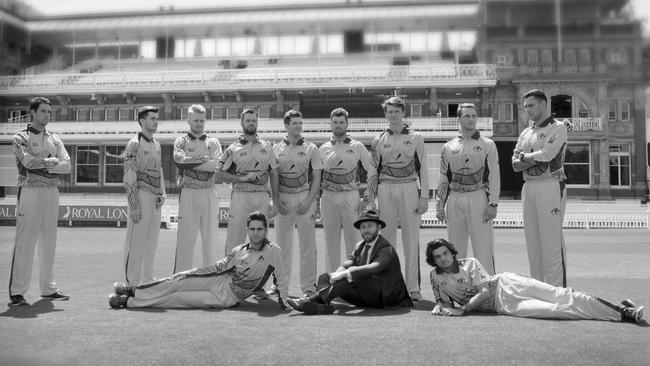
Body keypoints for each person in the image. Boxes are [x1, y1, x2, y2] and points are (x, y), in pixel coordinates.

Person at [425, 239, 644, 323]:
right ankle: (615, 312)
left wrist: (463, 310)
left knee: (561, 295)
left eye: (445, 253)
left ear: (452, 253)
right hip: (504, 307)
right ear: (433, 260)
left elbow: (483, 292)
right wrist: (441, 308)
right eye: (437, 256)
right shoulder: (435, 277)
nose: (443, 258)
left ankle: (623, 312)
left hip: (506, 284)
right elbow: (444, 304)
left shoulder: (470, 263)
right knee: (556, 310)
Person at [109, 212, 287, 310]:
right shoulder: (239, 250)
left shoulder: (273, 251)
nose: (256, 233)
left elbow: (281, 276)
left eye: (260, 229)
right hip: (218, 280)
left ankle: (128, 301)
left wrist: (284, 301)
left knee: (176, 298)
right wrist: (195, 272)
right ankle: (132, 290)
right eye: (252, 229)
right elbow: (219, 267)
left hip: (225, 298)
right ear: (247, 229)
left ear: (266, 230)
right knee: (177, 280)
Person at [286, 209, 413, 315]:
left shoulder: (387, 249)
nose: (366, 230)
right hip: (365, 295)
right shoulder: (360, 245)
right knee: (325, 277)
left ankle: (310, 300)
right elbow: (348, 263)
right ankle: (322, 307)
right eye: (363, 227)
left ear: (379, 228)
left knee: (354, 277)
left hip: (385, 297)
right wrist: (335, 275)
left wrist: (346, 273)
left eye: (370, 226)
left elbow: (374, 268)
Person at [9, 97, 72, 306]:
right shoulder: (21, 137)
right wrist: (52, 163)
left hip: (51, 192)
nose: (47, 115)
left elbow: (68, 166)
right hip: (29, 190)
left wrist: (48, 165)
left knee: (49, 241)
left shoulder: (55, 139)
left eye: (49, 111)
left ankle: (48, 288)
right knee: (25, 241)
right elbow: (27, 163)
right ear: (33, 113)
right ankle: (18, 291)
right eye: (43, 111)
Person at [367, 96, 429, 301]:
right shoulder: (378, 139)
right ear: (385, 114)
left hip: (409, 188)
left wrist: (424, 197)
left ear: (403, 113)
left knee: (411, 239)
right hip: (386, 190)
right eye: (389, 111)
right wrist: (371, 199)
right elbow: (372, 171)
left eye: (397, 111)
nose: (393, 115)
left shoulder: (416, 137)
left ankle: (412, 287)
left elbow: (424, 170)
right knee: (387, 241)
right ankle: (389, 284)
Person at [512, 89, 568, 287]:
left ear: (543, 105)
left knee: (551, 242)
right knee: (533, 243)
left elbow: (547, 155)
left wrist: (525, 158)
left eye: (531, 105)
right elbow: (514, 164)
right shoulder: (526, 132)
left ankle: (558, 292)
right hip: (529, 187)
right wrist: (529, 159)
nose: (527, 109)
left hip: (551, 185)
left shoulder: (557, 127)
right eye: (525, 106)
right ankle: (538, 288)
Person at [436, 103, 500, 275]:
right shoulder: (448, 146)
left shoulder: (488, 144)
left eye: (473, 115)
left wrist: (493, 203)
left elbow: (494, 175)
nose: (471, 119)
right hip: (454, 199)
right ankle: (458, 289)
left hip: (478, 197)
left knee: (483, 249)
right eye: (467, 116)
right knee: (455, 249)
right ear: (458, 119)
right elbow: (443, 177)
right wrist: (440, 204)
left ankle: (488, 291)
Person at [271, 110, 322, 297]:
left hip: (304, 199)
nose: (298, 126)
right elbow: (274, 176)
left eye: (300, 123)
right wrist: (276, 200)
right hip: (283, 200)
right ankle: (279, 286)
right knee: (281, 247)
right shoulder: (275, 149)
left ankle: (308, 286)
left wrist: (310, 200)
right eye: (295, 123)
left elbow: (317, 177)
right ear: (286, 126)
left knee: (308, 247)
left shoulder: (311, 148)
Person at [319, 108, 373, 273]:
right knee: (331, 241)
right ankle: (332, 279)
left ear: (347, 124)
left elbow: (371, 171)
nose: (338, 125)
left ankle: (354, 279)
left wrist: (369, 196)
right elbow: (316, 177)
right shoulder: (323, 148)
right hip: (328, 197)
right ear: (330, 124)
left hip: (351, 196)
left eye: (341, 122)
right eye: (335, 122)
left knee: (354, 240)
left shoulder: (357, 146)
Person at [220, 108, 280, 255]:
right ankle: (230, 275)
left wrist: (275, 200)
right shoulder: (232, 149)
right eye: (248, 120)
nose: (251, 123)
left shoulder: (267, 147)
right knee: (235, 242)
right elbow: (218, 175)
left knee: (261, 242)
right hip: (240, 197)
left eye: (254, 120)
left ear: (257, 122)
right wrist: (241, 178)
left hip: (262, 197)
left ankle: (259, 276)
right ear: (242, 122)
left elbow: (274, 173)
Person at [172, 104, 222, 272]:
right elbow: (179, 161)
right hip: (189, 193)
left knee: (210, 242)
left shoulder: (213, 142)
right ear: (188, 120)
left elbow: (218, 166)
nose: (199, 123)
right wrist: (205, 160)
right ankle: (179, 281)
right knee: (185, 240)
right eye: (196, 120)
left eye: (202, 120)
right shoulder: (181, 141)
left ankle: (211, 280)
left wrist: (192, 162)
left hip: (209, 193)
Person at [122, 105, 166, 286]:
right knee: (136, 242)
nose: (156, 121)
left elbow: (159, 170)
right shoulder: (134, 144)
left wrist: (162, 192)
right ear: (142, 121)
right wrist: (134, 205)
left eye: (157, 118)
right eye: (152, 118)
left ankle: (148, 280)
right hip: (140, 196)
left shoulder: (157, 145)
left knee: (151, 242)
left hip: (154, 199)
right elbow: (129, 174)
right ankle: (132, 282)